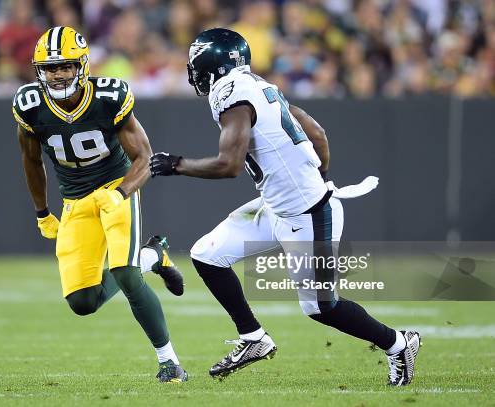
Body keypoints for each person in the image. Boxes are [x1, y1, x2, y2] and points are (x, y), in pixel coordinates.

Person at [150, 28, 420, 385]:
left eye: (196, 65)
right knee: (206, 254)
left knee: (322, 307)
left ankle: (399, 343)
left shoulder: (230, 93)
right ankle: (253, 338)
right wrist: (316, 175)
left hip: (308, 214)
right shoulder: (257, 85)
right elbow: (318, 133)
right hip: (277, 207)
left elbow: (229, 165)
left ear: (211, 67)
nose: (193, 73)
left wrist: (176, 164)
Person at [12, 26, 188, 382]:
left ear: (83, 65)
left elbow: (145, 158)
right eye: (50, 68)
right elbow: (31, 161)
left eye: (65, 66)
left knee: (125, 272)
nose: (57, 74)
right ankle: (154, 256)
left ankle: (170, 363)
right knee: (82, 302)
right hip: (74, 200)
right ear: (39, 70)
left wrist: (121, 192)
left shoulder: (107, 97)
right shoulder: (29, 105)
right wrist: (42, 211)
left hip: (115, 187)